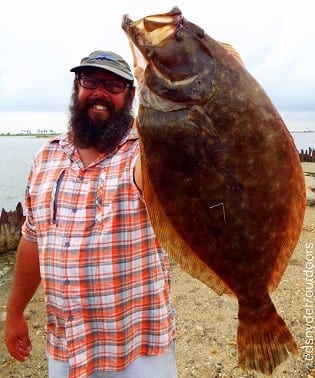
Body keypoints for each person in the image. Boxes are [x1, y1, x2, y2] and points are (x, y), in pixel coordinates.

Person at [4, 50, 177, 378]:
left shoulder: (148, 152)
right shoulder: (47, 157)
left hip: (139, 349)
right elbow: (32, 241)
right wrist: (15, 313)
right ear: (76, 87)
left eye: (114, 85)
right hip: (67, 348)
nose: (100, 91)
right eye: (91, 80)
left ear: (130, 95)